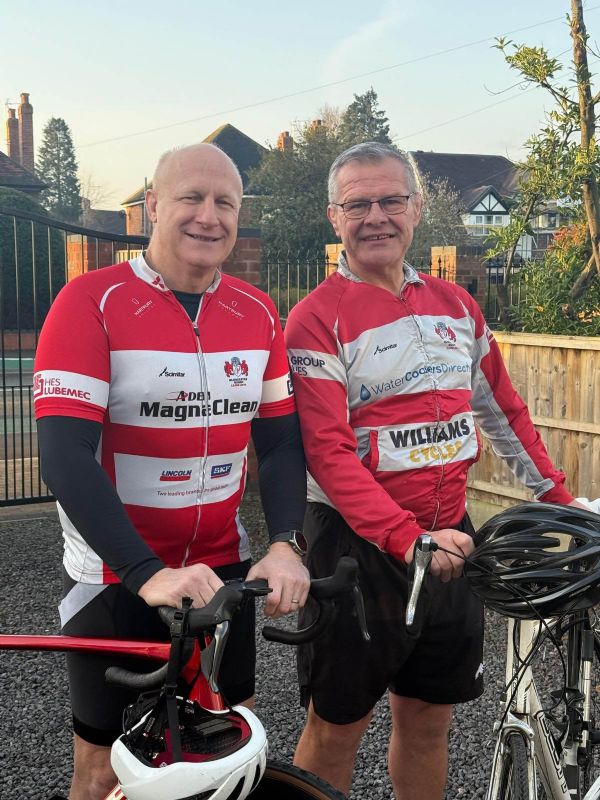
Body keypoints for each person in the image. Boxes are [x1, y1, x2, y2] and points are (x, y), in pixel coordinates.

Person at [284, 141, 584, 799]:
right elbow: (330, 455)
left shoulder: (455, 304)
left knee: (428, 721)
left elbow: (501, 409)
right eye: (358, 204)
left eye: (391, 200)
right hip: (358, 548)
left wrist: (561, 502)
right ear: (335, 217)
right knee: (335, 729)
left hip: (451, 534)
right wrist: (402, 537)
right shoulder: (315, 320)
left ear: (417, 208)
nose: (376, 216)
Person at [33, 143, 310, 800]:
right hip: (115, 576)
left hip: (221, 575)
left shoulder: (257, 310)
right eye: (191, 197)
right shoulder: (90, 302)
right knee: (103, 774)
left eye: (225, 203)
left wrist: (283, 543)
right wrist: (147, 574)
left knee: (214, 762)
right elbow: (64, 456)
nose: (208, 216)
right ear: (152, 206)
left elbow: (278, 444)